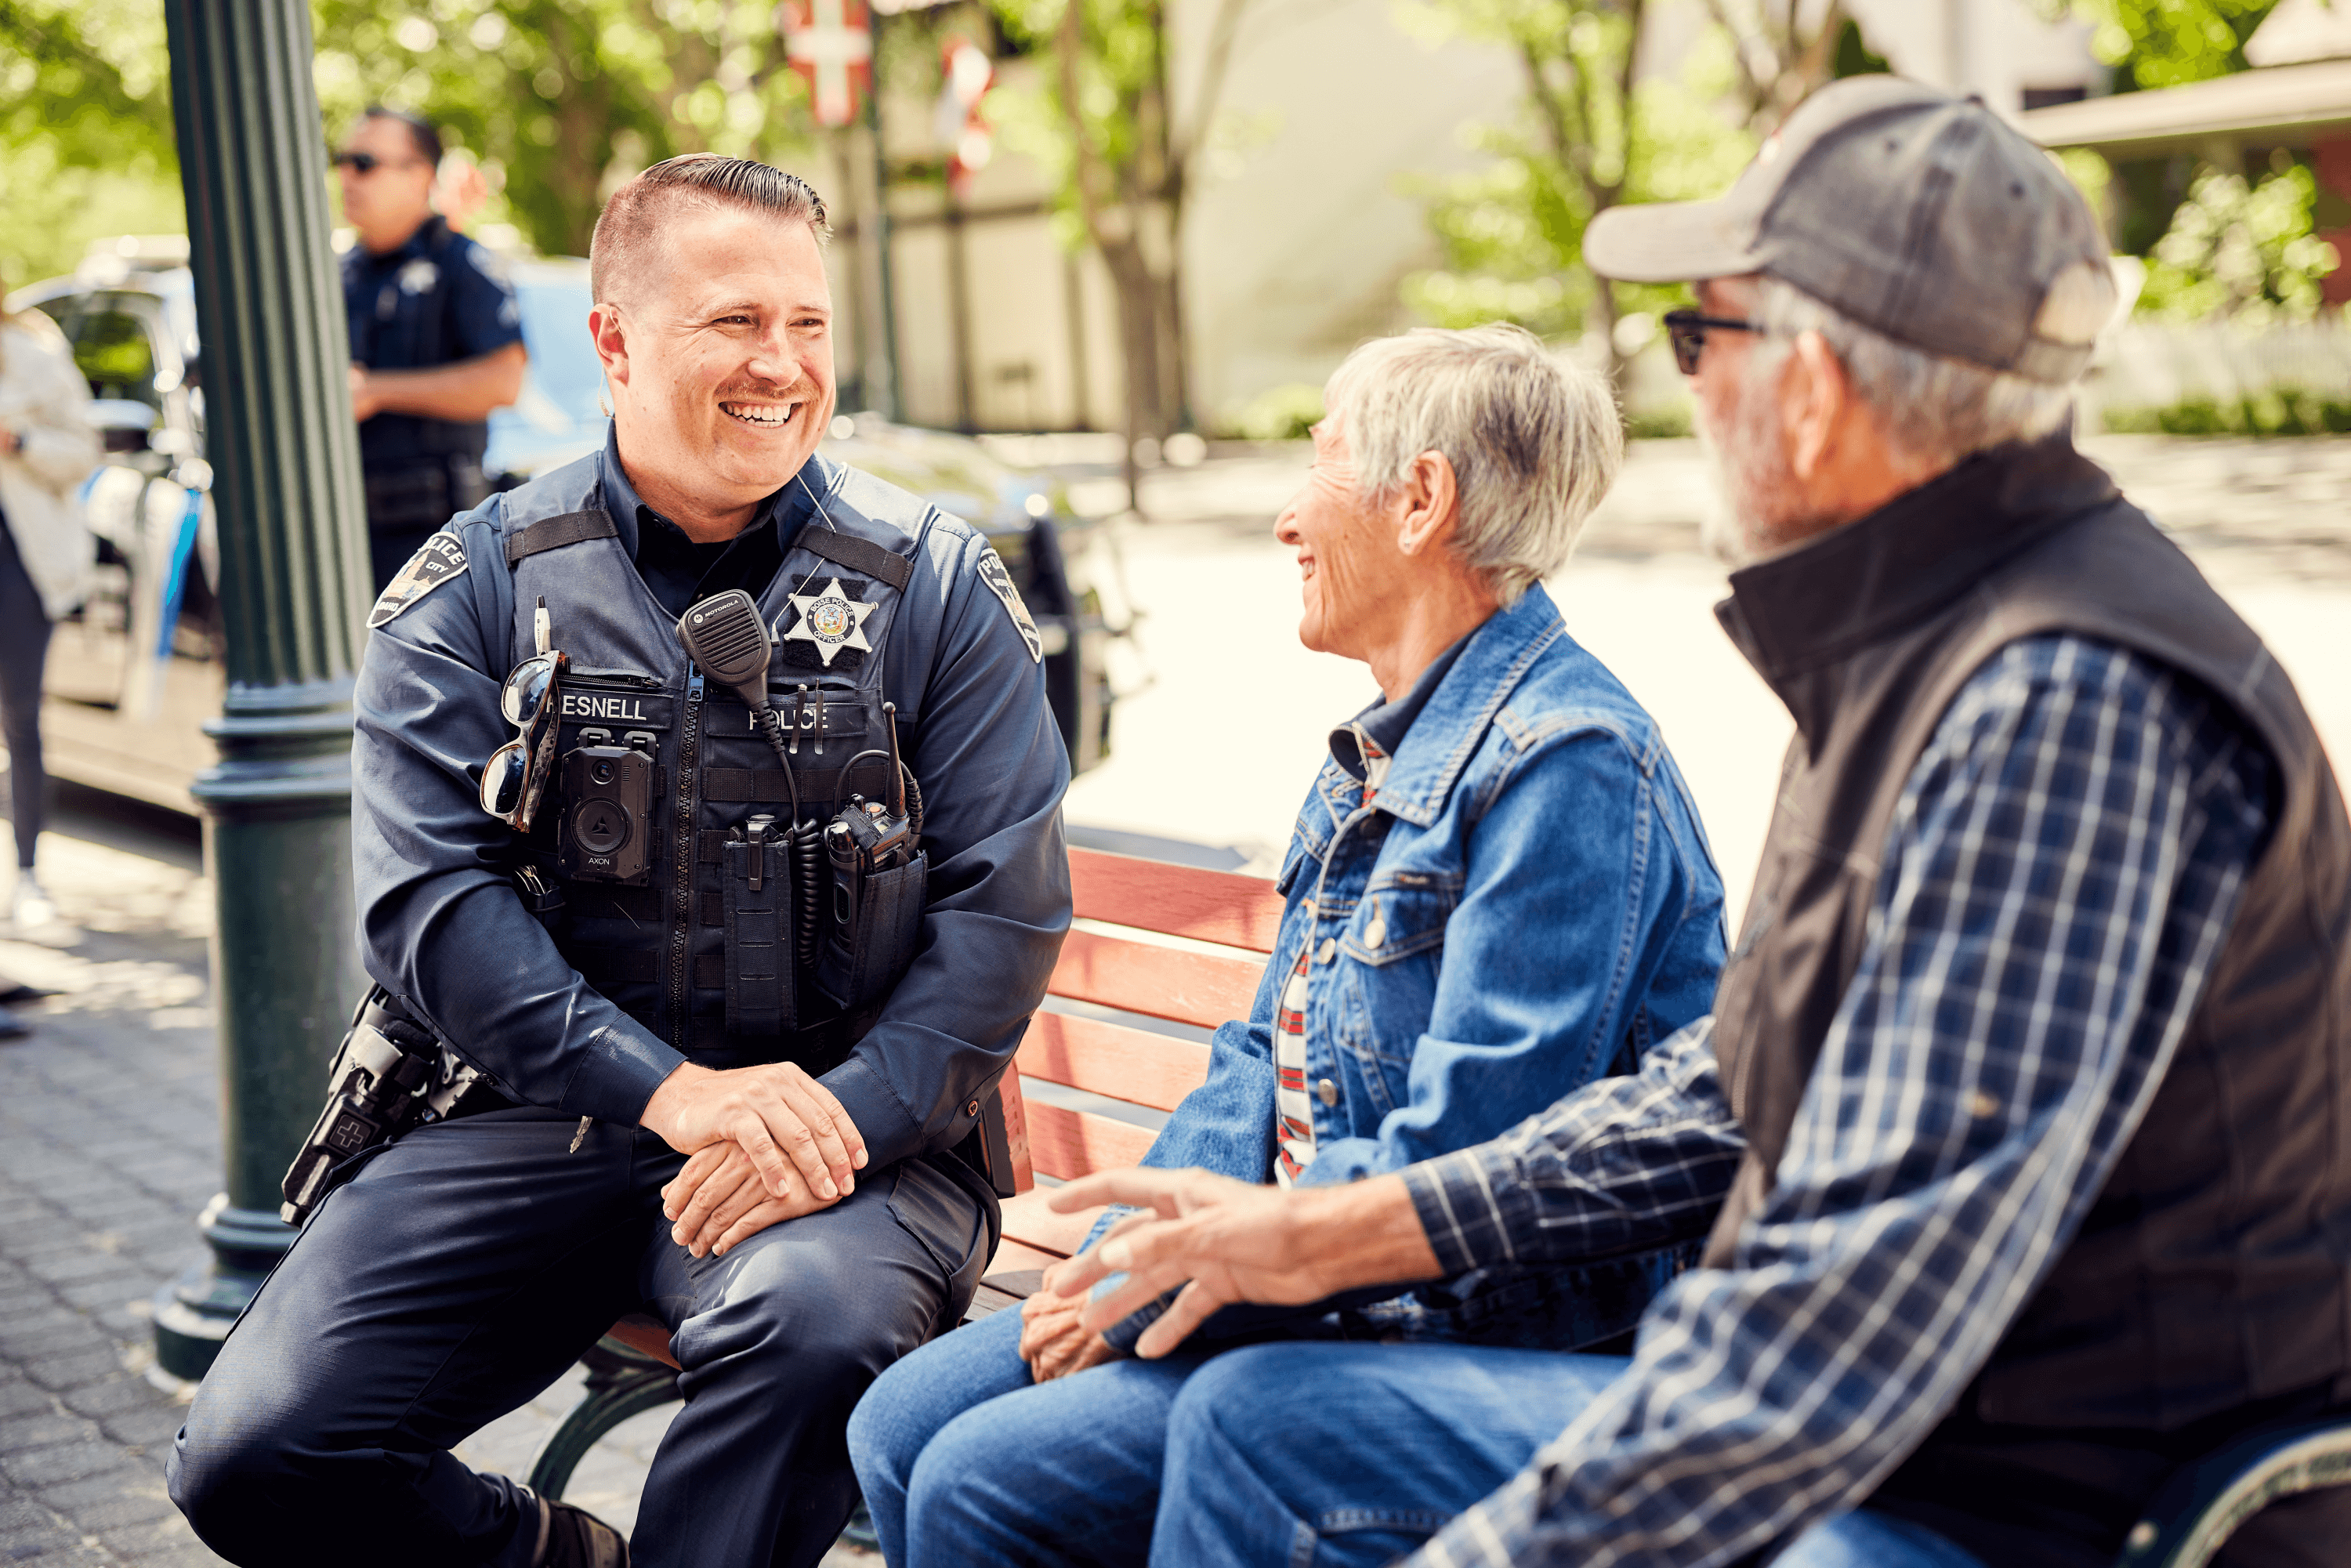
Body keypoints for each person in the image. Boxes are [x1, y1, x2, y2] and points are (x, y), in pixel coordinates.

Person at [1023, 78, 2351, 1568]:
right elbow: (1729, 1090)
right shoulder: (1933, 641)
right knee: (1270, 1421)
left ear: (1813, 386)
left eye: (1698, 336)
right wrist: (1332, 1230)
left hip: (2051, 1509)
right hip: (1910, 1440)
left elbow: (1839, 1333)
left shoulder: (2060, 697)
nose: (1684, 395)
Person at [168, 155, 1073, 1568]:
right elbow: (429, 910)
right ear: (613, 339)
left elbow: (1004, 911)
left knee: (811, 1324)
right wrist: (679, 1094)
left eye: (808, 324)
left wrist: (828, 1119)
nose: (782, 365)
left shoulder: (935, 584)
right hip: (545, 1116)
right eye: (734, 322)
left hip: (849, 1132)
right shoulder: (475, 583)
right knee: (254, 1458)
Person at [849, 324, 1730, 1568]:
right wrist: (1119, 1261)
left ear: (1421, 499)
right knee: (899, 1425)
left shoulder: (1569, 766)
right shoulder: (1380, 752)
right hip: (1288, 1269)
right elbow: (1258, 1053)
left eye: (1319, 464)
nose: (1286, 520)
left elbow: (1466, 1157)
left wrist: (1170, 1285)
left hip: (1460, 1321)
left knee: (985, 1484)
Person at [336, 106, 528, 593]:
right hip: (343, 536)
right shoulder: (340, 273)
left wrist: (377, 392)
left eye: (363, 163)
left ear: (418, 174)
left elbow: (504, 382)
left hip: (435, 544)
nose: (345, 177)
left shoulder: (461, 263)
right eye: (341, 161)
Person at [0, 266, 100, 964]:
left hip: (21, 565)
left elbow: (85, 449)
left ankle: (27, 869)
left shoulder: (35, 355)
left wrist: (20, 443)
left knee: (21, 718)